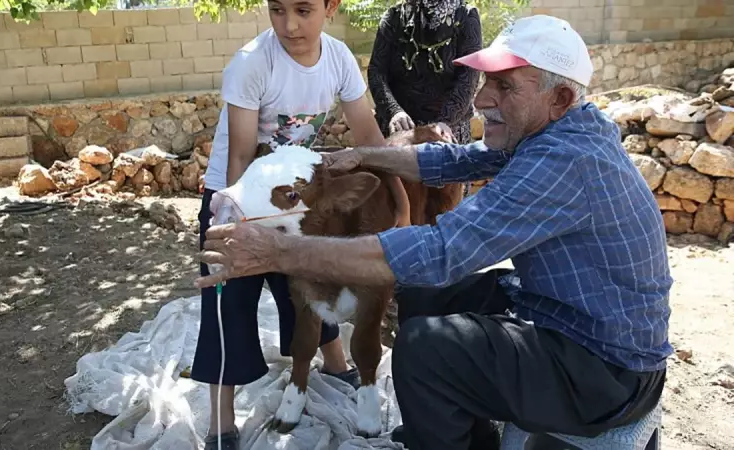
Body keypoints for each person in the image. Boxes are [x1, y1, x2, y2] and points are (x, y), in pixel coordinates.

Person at [195, 15, 673, 450]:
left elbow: (442, 248)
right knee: (424, 294)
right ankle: (454, 429)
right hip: (566, 315)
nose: (483, 98)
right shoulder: (558, 128)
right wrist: (368, 155)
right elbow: (455, 160)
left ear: (560, 97)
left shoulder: (560, 163)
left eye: (503, 87)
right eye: (487, 81)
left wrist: (281, 251)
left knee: (425, 347)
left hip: (605, 371)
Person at [194, 0, 411, 448]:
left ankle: (334, 363)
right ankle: (220, 421)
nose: (289, 25)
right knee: (227, 303)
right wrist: (239, 225)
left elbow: (370, 139)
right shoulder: (252, 63)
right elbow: (240, 154)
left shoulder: (338, 59)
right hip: (240, 197)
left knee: (312, 286)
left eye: (303, 10)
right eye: (276, 10)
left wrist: (402, 201)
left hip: (295, 203)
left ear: (331, 7)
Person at [368, 0, 482, 144]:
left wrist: (444, 121)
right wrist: (394, 111)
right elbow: (377, 71)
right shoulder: (394, 17)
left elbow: (469, 76)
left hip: (447, 129)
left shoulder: (466, 16)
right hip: (400, 128)